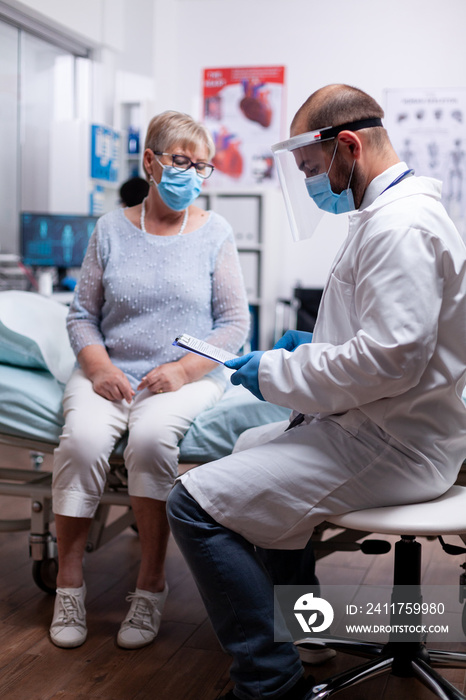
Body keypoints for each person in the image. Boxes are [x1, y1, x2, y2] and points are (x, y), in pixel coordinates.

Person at [166, 84, 466, 700]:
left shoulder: (399, 225)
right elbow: (390, 338)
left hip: (393, 442)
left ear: (348, 146)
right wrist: (313, 342)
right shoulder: (392, 214)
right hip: (387, 424)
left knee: (192, 503)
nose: (309, 184)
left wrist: (273, 372)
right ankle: (308, 629)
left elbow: (387, 362)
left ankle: (270, 684)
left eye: (310, 169)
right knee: (250, 440)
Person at [49, 110, 250, 650]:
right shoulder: (110, 228)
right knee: (85, 441)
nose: (191, 173)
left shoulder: (215, 233)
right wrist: (98, 367)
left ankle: (151, 585)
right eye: (181, 160)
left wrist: (184, 369)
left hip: (184, 378)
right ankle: (69, 584)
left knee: (150, 439)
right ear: (151, 161)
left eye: (201, 165)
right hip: (110, 371)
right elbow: (80, 315)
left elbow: (234, 324)